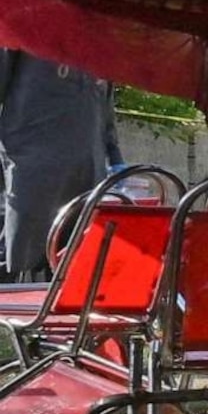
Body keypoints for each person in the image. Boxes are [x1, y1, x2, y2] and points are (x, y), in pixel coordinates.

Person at [0, 49, 121, 281]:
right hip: (31, 162)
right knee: (23, 252)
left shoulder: (102, 37)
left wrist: (116, 159)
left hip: (88, 167)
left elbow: (105, 103)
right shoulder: (26, 20)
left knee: (77, 256)